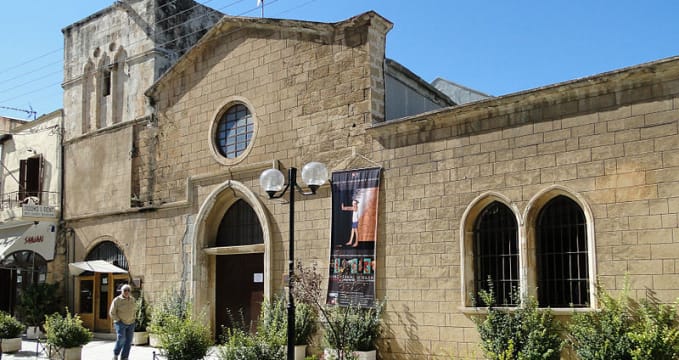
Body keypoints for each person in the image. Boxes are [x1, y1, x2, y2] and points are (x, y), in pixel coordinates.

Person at [109, 284, 136, 360]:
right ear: (122, 291)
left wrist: (134, 318)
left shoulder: (132, 299)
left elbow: (134, 310)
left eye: (128, 290)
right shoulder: (117, 300)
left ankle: (124, 357)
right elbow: (112, 312)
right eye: (125, 290)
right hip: (120, 323)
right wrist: (118, 320)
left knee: (128, 341)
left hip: (131, 323)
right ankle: (116, 354)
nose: (127, 292)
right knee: (121, 339)